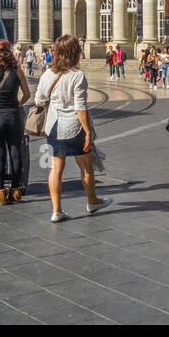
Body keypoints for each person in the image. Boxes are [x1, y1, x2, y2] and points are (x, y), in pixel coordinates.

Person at [38, 34, 111, 221]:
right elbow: (80, 107)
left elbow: (39, 99)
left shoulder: (47, 74)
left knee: (56, 169)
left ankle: (56, 210)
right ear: (75, 53)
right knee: (86, 167)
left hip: (53, 126)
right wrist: (88, 132)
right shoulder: (77, 76)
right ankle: (92, 201)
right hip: (74, 128)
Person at [0, 38, 32, 205]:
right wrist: (18, 104)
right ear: (8, 52)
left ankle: (0, 194)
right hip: (13, 116)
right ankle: (15, 192)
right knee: (15, 153)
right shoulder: (17, 70)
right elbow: (27, 94)